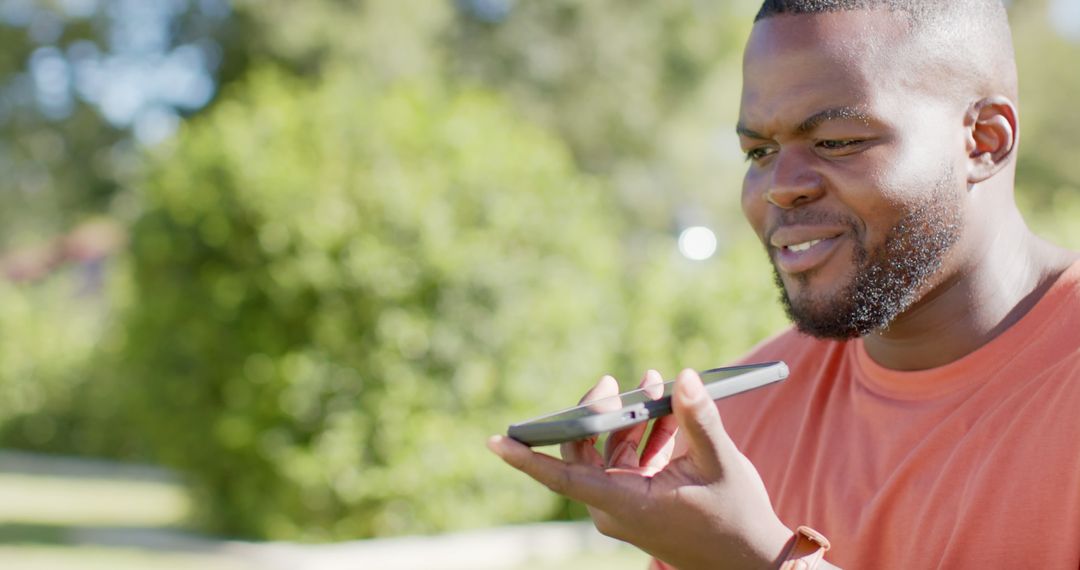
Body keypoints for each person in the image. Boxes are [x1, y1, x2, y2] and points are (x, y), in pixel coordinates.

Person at [488, 0, 1080, 568]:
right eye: (759, 151)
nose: (781, 186)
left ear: (985, 140)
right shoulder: (738, 431)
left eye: (837, 142)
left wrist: (762, 563)